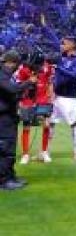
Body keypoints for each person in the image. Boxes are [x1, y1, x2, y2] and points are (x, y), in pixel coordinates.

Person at [0, 51, 39, 190]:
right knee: (5, 149)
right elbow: (12, 89)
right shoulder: (2, 74)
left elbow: (13, 93)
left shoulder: (8, 75)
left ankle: (10, 176)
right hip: (3, 118)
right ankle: (3, 180)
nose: (17, 67)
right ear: (11, 62)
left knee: (10, 148)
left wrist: (26, 89)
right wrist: (28, 82)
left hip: (9, 116)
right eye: (16, 64)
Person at [49, 37, 76, 161]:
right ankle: (45, 150)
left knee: (74, 123)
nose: (61, 45)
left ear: (72, 45)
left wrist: (59, 68)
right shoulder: (60, 57)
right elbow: (55, 76)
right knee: (50, 123)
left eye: (64, 43)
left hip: (69, 97)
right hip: (55, 95)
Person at [14, 54, 53, 165]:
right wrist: (20, 100)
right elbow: (18, 85)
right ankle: (25, 154)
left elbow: (50, 82)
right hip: (27, 100)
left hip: (43, 100)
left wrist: (50, 96)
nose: (40, 67)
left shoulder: (47, 68)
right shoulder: (23, 70)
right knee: (27, 126)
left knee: (46, 125)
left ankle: (44, 152)